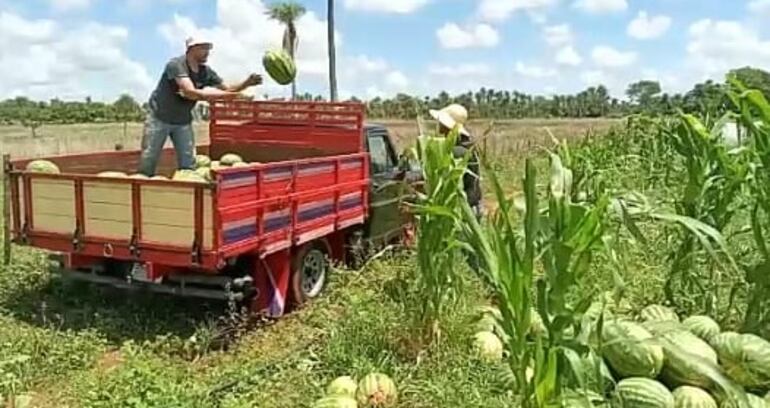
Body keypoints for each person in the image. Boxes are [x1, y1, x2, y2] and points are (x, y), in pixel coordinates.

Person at [138, 36, 263, 176]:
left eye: (208, 48)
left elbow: (226, 90)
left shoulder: (206, 72)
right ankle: (141, 189)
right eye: (204, 48)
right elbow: (190, 92)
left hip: (182, 120)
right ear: (192, 49)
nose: (207, 52)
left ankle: (188, 191)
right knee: (149, 159)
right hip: (159, 118)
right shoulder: (176, 65)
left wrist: (246, 83)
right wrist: (231, 96)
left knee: (188, 163)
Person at [429, 104, 482, 219]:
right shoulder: (467, 145)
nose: (438, 124)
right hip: (471, 204)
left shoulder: (456, 152)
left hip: (462, 210)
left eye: (441, 122)